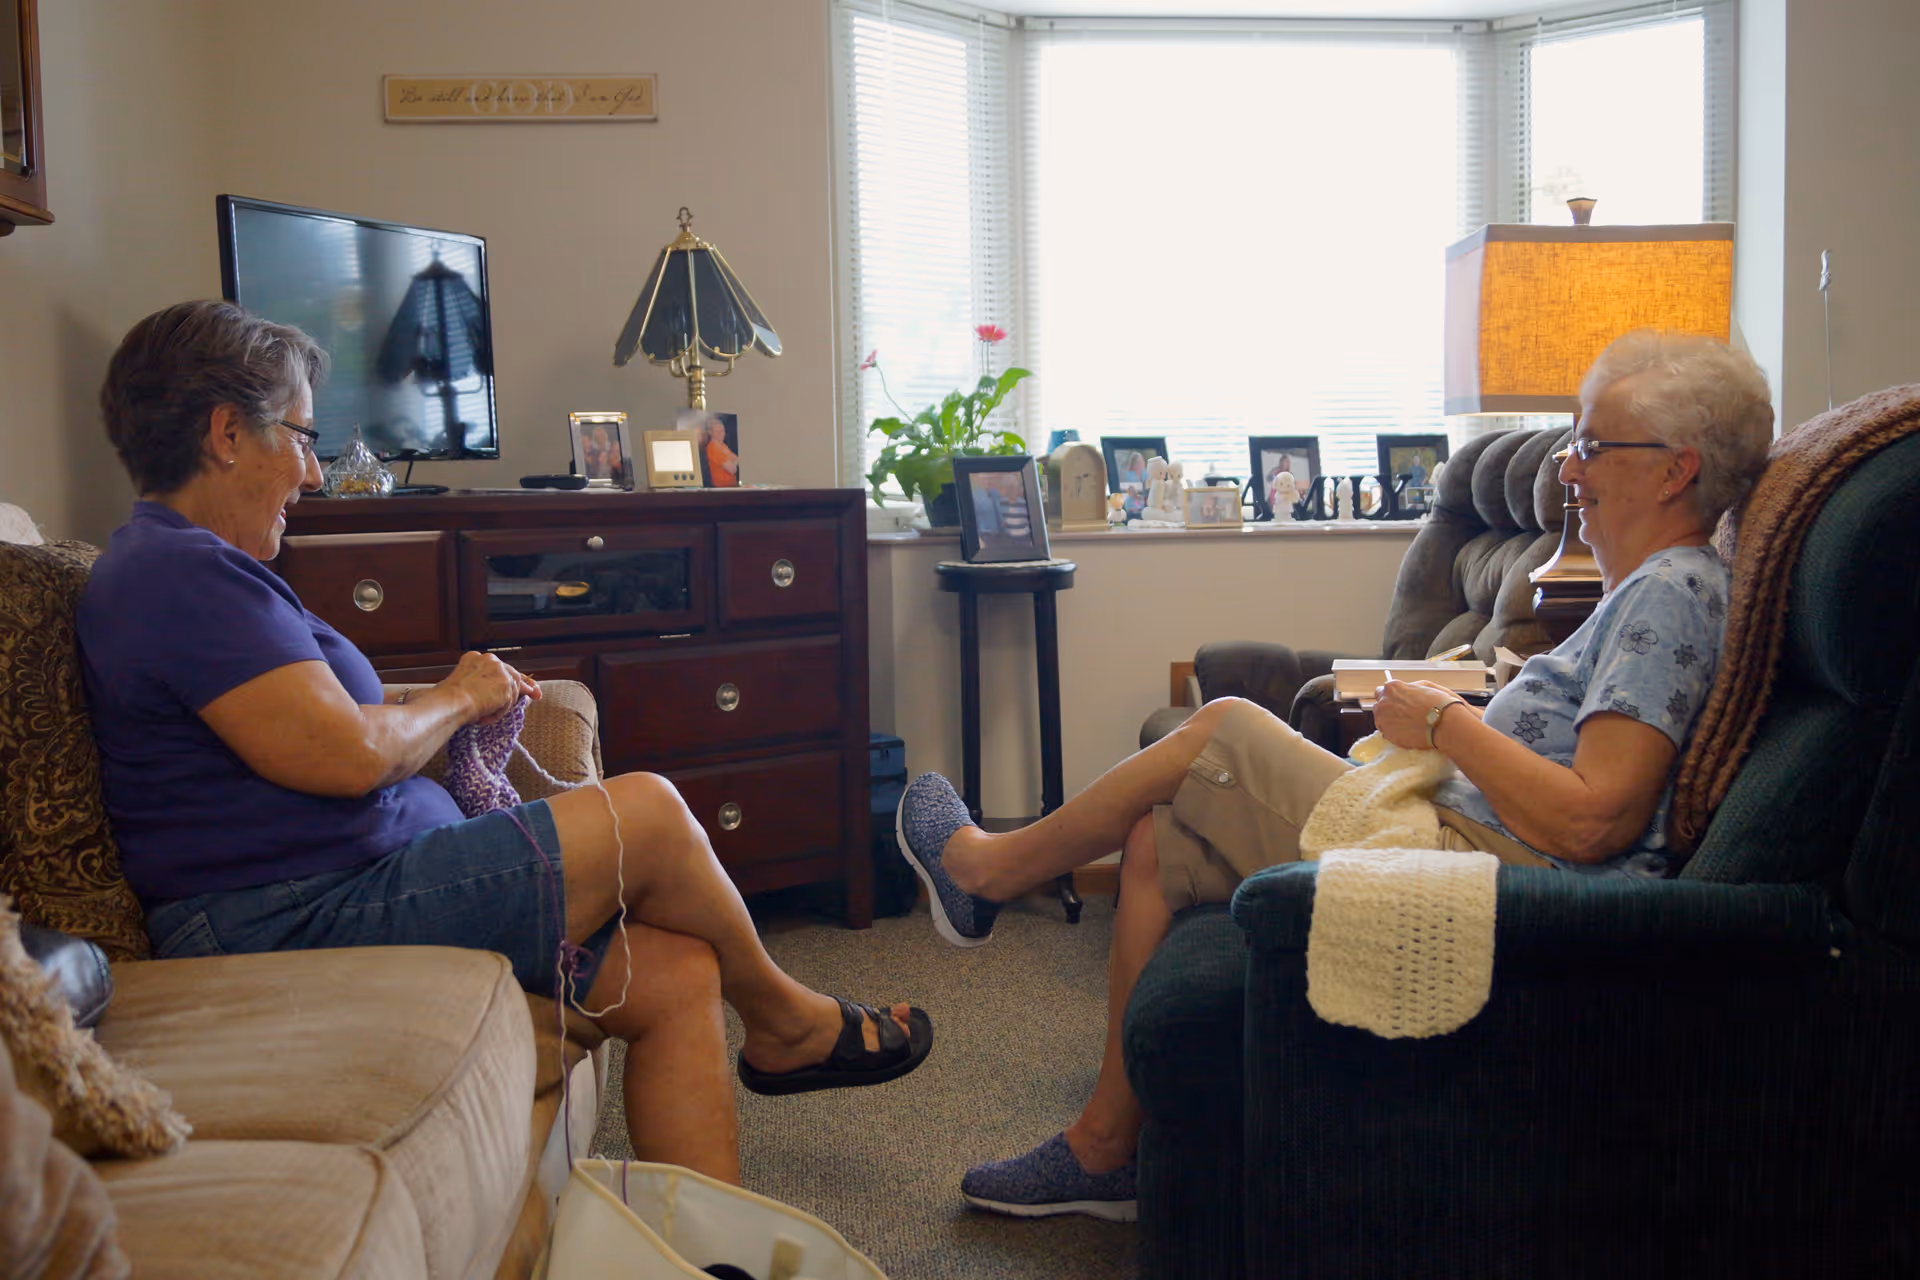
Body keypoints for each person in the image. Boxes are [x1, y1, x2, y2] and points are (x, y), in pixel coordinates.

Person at [894, 330, 1773, 1222]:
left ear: (1675, 471)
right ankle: (1104, 1152)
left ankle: (989, 872)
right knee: (1156, 842)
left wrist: (1446, 722)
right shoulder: (1654, 587)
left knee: (1225, 728)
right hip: (1476, 838)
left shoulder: (1668, 591)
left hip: (1505, 872)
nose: (1570, 474)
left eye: (1591, 447)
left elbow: (1596, 822)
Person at [78, 301, 932, 1186]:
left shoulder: (196, 571)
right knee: (648, 810)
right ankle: (789, 1020)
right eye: (301, 436)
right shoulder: (181, 574)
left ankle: (711, 1242)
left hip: (333, 887)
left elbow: (307, 721)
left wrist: (450, 702)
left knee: (673, 976)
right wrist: (454, 698)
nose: (315, 475)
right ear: (225, 432)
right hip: (285, 917)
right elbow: (347, 756)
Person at [704, 415, 740, 487]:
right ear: (710, 432)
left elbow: (738, 459)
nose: (721, 434)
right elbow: (733, 469)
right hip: (722, 489)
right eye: (717, 431)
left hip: (731, 486)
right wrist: (733, 461)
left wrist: (733, 461)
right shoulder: (712, 448)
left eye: (722, 431)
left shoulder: (722, 445)